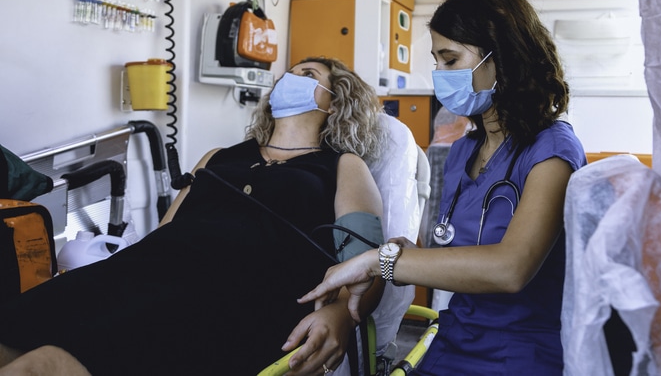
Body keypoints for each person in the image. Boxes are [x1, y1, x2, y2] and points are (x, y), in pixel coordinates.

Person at [0, 57, 389, 376]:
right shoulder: (218, 157)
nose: (291, 78)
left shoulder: (341, 166)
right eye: (289, 72)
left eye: (308, 75)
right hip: (144, 272)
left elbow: (369, 263)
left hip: (235, 296)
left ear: (335, 103)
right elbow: (165, 233)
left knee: (46, 364)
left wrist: (343, 314)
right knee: (12, 331)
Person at [298, 0, 588, 374]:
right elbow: (456, 255)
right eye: (437, 61)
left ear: (500, 56)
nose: (440, 74)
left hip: (520, 353)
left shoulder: (552, 149)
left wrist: (380, 262)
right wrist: (407, 251)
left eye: (450, 60)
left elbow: (510, 268)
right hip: (454, 339)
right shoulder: (462, 152)